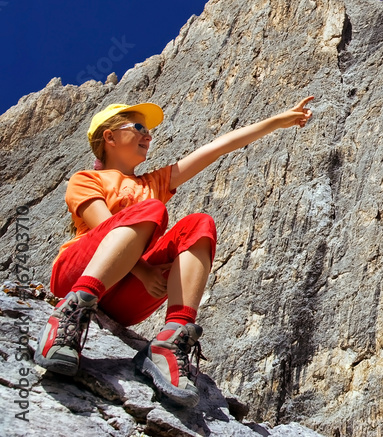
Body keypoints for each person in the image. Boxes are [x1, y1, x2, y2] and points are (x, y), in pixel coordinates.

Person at [33, 96, 314, 407]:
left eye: (148, 130)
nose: (147, 135)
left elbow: (217, 148)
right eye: (138, 127)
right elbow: (104, 229)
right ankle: (71, 313)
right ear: (109, 137)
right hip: (78, 275)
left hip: (126, 297)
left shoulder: (153, 182)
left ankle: (172, 337)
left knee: (200, 224)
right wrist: (144, 271)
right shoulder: (86, 179)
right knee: (152, 209)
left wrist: (277, 121)